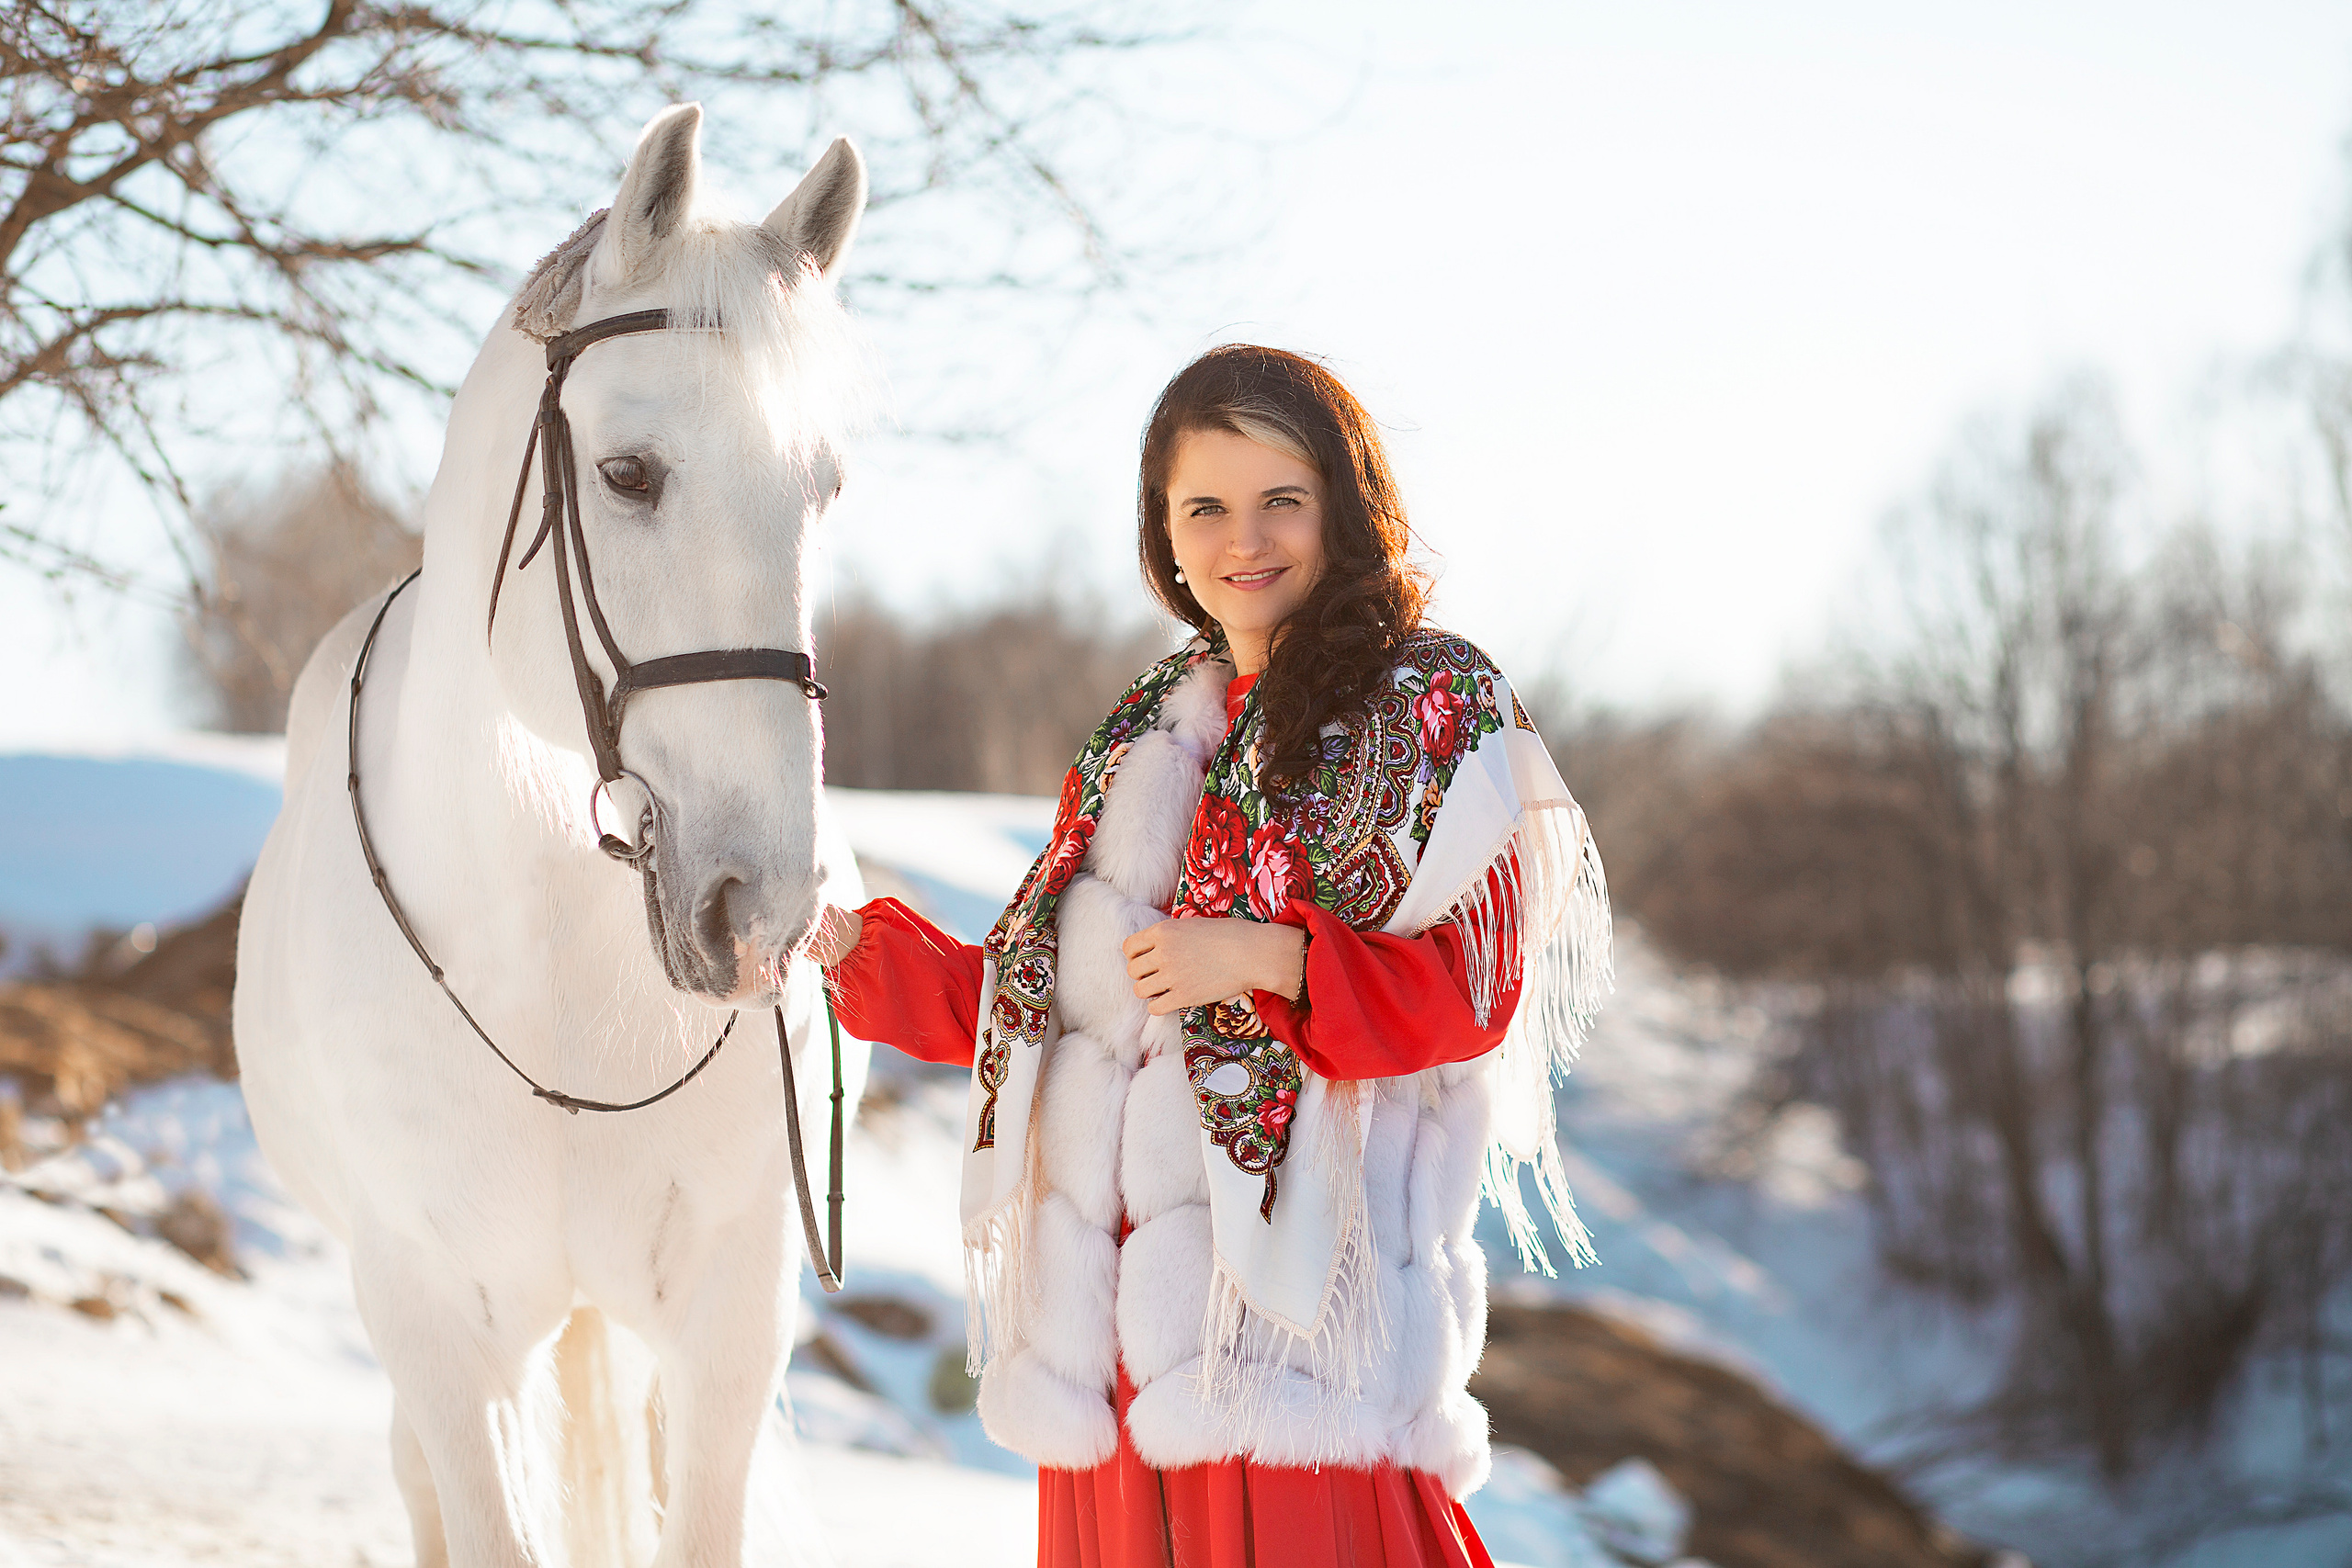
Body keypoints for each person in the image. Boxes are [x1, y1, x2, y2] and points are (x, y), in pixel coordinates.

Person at [808, 344, 1611, 1568]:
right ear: (1164, 534)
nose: (1248, 536)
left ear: (1345, 505)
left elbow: (1469, 996)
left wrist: (1270, 959)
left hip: (1300, 1359)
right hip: (1119, 1362)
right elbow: (1045, 1008)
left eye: (1282, 497)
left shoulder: (1430, 707)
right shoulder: (1142, 735)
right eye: (1205, 507)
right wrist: (845, 948)